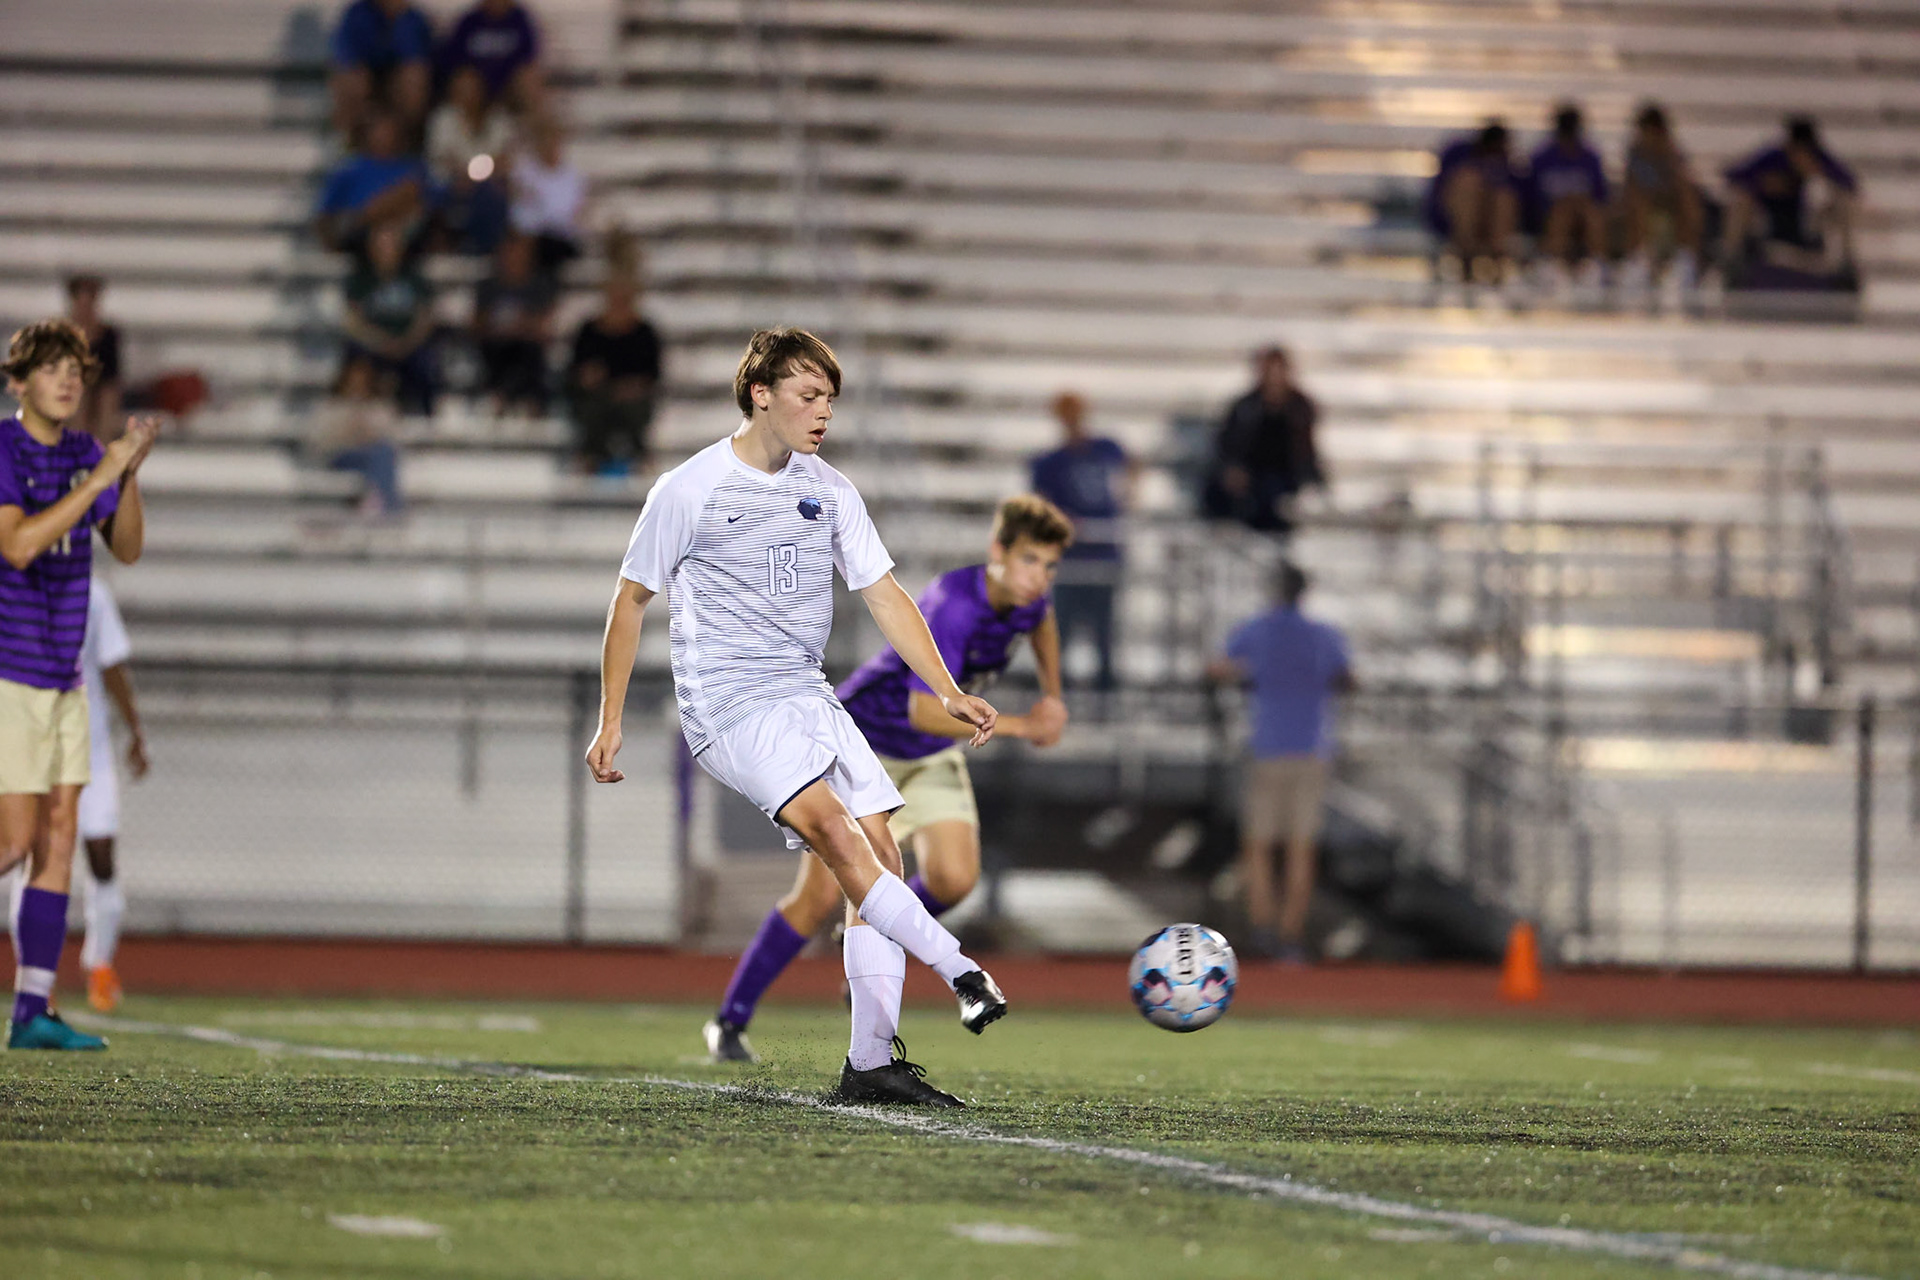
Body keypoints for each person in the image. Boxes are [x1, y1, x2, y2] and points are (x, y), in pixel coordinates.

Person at [587, 327, 1008, 1107]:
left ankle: (871, 1063)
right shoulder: (690, 487)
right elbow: (631, 599)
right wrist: (610, 719)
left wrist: (947, 689)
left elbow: (884, 593)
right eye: (808, 396)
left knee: (883, 849)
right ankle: (961, 970)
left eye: (830, 402)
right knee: (839, 835)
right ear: (760, 394)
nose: (823, 414)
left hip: (807, 694)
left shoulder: (832, 489)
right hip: (730, 703)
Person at [704, 494, 1074, 1063]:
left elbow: (1042, 622)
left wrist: (1053, 691)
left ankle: (874, 926)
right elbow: (924, 710)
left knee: (954, 878)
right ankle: (728, 1022)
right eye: (1029, 561)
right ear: (996, 552)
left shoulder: (1027, 601)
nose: (1039, 578)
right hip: (867, 745)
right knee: (817, 897)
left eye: (1049, 567)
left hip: (932, 754)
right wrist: (1028, 725)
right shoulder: (955, 603)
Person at [0, 318, 156, 1050]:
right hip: (10, 674)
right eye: (52, 367)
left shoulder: (89, 454)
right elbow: (21, 544)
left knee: (59, 840)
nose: (68, 378)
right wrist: (98, 475)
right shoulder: (5, 446)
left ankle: (32, 1010)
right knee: (13, 840)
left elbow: (125, 547)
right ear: (19, 380)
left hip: (63, 680)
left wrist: (126, 475)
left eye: (76, 368)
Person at [1208, 562, 1353, 964]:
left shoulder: (1258, 629)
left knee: (1258, 845)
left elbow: (1217, 667)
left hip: (1269, 747)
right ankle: (1290, 935)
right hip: (1311, 748)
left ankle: (1262, 928)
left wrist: (1251, 676)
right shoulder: (1324, 634)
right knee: (1300, 849)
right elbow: (1349, 678)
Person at [1028, 392, 1135, 695]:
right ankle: (1058, 692)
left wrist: (1127, 498)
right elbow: (1041, 505)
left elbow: (1130, 470)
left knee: (1105, 631)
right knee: (1064, 629)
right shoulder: (1051, 462)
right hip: (1073, 560)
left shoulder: (1105, 449)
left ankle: (1104, 689)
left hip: (1104, 555)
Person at [74, 575, 147, 1012]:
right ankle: (35, 976)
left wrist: (136, 730)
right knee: (31, 855)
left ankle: (100, 964)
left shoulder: (92, 593)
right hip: (32, 745)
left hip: (91, 750)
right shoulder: (17, 581)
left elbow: (112, 665)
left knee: (101, 854)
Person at [1204, 345, 1325, 534]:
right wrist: (1232, 469)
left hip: (1286, 478)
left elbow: (1305, 453)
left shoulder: (1300, 407)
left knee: (1272, 495)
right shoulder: (1245, 406)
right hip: (1250, 476)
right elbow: (1227, 444)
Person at [1723, 115, 1859, 280]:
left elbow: (1850, 183)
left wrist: (1819, 177)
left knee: (1841, 200)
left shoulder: (1820, 161)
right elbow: (1733, 175)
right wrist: (1766, 184)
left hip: (1809, 232)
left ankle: (1847, 263)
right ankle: (1731, 257)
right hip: (1773, 228)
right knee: (1741, 198)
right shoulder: (1774, 157)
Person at [567, 273, 662, 475]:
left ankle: (639, 457)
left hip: (633, 398)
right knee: (592, 407)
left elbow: (652, 376)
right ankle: (589, 457)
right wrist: (589, 377)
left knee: (633, 408)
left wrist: (630, 387)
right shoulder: (589, 331)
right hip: (596, 395)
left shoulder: (645, 333)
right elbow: (576, 370)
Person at [342, 220, 437, 416]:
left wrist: (406, 342)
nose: (386, 250)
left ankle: (425, 415)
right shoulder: (360, 280)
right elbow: (353, 321)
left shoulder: (414, 279)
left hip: (409, 346)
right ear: (371, 248)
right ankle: (357, 414)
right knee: (356, 359)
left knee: (426, 363)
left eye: (390, 244)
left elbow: (425, 317)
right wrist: (380, 342)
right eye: (381, 244)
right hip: (374, 346)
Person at [1617, 103, 1705, 302]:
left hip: (1670, 204)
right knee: (1638, 203)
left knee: (1687, 200)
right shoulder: (1636, 153)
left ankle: (1686, 259)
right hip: (1645, 203)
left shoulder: (1672, 153)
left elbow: (1681, 185)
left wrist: (1670, 160)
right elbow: (1632, 186)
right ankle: (1639, 259)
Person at [314, 108, 431, 254]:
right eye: (379, 130)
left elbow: (424, 207)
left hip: (406, 237)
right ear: (367, 133)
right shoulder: (348, 170)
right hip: (357, 238)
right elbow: (324, 217)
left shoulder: (413, 169)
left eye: (388, 130)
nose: (384, 135)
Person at [425, 65, 514, 255]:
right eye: (462, 89)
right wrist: (472, 173)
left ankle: (485, 250)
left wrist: (473, 176)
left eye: (472, 89)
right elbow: (445, 159)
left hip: (486, 187)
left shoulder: (499, 119)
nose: (467, 95)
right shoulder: (443, 118)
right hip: (449, 185)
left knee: (493, 195)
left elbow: (504, 159)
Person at [1527, 103, 1610, 297]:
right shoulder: (1542, 158)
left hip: (1583, 217)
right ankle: (1553, 265)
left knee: (1591, 214)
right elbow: (1531, 197)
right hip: (1551, 217)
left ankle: (1596, 266)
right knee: (1562, 212)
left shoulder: (1590, 158)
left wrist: (1577, 203)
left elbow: (1601, 197)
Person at [1425, 120, 1522, 284]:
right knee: (1469, 183)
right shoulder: (1459, 155)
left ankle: (1496, 265)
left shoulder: (1508, 166)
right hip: (1453, 222)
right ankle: (1467, 254)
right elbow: (1441, 192)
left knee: (1502, 197)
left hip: (1490, 226)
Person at [472, 233, 557, 415]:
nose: (513, 257)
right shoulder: (487, 286)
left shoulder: (541, 284)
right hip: (494, 346)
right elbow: (477, 323)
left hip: (526, 347)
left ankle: (522, 402)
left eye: (519, 253)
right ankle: (499, 398)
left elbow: (543, 324)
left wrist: (512, 324)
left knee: (529, 355)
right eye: (509, 252)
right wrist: (514, 324)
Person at [328, 0, 434, 139]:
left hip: (395, 83)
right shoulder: (356, 14)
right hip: (366, 80)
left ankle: (409, 144)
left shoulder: (411, 18)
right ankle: (348, 143)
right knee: (351, 81)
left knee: (414, 80)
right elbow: (346, 58)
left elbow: (414, 60)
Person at [314, 357, 405, 516]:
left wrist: (369, 433)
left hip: (373, 455)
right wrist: (348, 433)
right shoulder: (331, 407)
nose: (358, 385)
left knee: (383, 453)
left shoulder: (380, 407)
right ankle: (388, 507)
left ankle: (382, 503)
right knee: (380, 455)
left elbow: (392, 438)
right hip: (341, 456)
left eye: (363, 381)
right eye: (354, 380)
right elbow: (319, 442)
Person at [510, 115, 589, 276]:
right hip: (532, 239)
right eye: (543, 140)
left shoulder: (573, 176)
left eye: (553, 140)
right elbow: (521, 214)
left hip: (562, 239)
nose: (548, 145)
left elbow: (573, 216)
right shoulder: (523, 172)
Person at [440, 0, 544, 113]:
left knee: (529, 80)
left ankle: (538, 125)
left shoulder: (521, 21)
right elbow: (454, 61)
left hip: (510, 83)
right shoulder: (469, 22)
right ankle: (463, 126)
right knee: (465, 82)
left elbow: (528, 59)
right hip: (477, 83)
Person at [65, 276, 123, 444]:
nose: (85, 309)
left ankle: (100, 455)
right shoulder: (63, 335)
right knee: (78, 398)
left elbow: (112, 375)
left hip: (100, 388)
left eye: (89, 303)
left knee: (106, 400)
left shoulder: (108, 335)